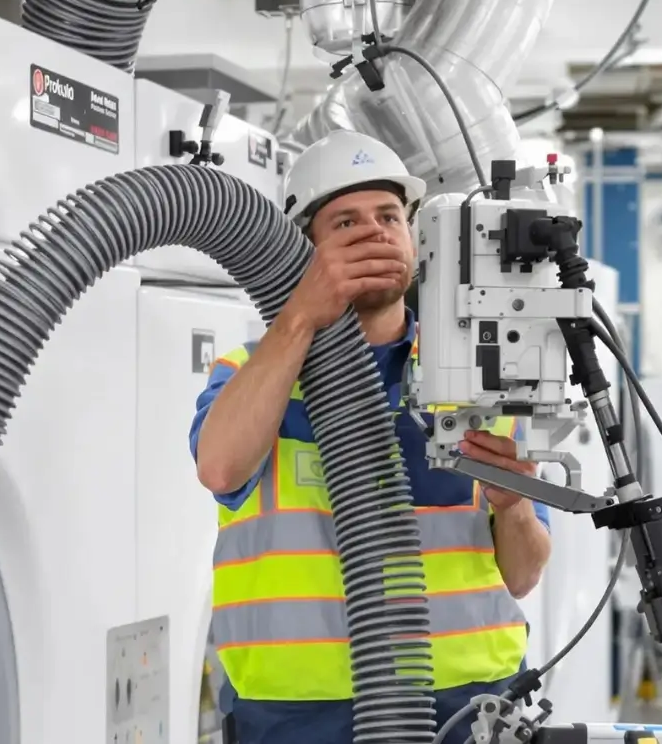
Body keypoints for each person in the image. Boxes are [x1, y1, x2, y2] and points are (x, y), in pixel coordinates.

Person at [189, 129, 553, 744]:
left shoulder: (475, 377)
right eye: (345, 222)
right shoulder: (250, 372)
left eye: (389, 215)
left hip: (471, 711)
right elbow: (221, 469)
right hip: (298, 719)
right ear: (302, 249)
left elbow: (522, 575)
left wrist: (514, 505)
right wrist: (303, 315)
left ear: (413, 235)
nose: (375, 231)